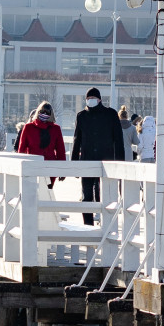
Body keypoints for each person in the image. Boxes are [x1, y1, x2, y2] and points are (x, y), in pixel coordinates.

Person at [70, 88, 124, 224]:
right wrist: (74, 164)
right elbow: (77, 140)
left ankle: (106, 224)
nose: (91, 100)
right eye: (88, 98)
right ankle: (88, 225)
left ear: (100, 99)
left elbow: (118, 140)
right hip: (86, 161)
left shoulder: (110, 114)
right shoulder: (81, 116)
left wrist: (120, 163)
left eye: (93, 97)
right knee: (86, 196)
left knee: (104, 195)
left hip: (106, 161)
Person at [17, 102, 66, 188]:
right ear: (38, 112)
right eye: (42, 112)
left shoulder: (56, 129)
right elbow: (21, 149)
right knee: (32, 191)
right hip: (32, 166)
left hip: (50, 166)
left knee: (47, 192)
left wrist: (62, 170)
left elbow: (60, 150)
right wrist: (20, 167)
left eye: (47, 113)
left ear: (51, 114)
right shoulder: (28, 127)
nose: (44, 114)